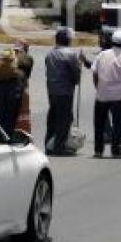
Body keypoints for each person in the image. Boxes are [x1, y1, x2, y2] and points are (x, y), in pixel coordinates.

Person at [91, 29, 121, 158]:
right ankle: (116, 151)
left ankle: (98, 151)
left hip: (102, 95)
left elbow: (94, 73)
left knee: (99, 124)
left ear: (112, 41)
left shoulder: (102, 55)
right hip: (118, 96)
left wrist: (98, 87)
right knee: (117, 124)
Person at [44, 27, 82, 156]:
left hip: (52, 91)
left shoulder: (50, 54)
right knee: (64, 120)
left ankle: (49, 144)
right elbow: (76, 76)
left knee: (53, 118)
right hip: (65, 91)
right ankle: (59, 147)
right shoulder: (71, 54)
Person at [0, 48, 26, 136]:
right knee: (10, 122)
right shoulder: (19, 75)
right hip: (11, 104)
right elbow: (20, 95)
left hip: (0, 104)